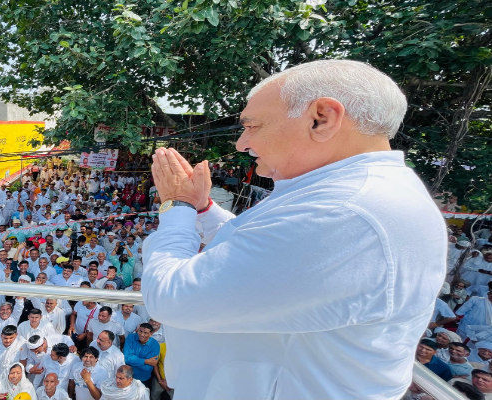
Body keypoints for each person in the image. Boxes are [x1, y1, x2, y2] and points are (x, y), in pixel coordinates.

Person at [142, 60, 447, 398]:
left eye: (252, 125)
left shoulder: (344, 211)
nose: (242, 143)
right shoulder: (347, 197)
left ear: (322, 119)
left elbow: (170, 296)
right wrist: (204, 210)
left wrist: (177, 207)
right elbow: (264, 255)